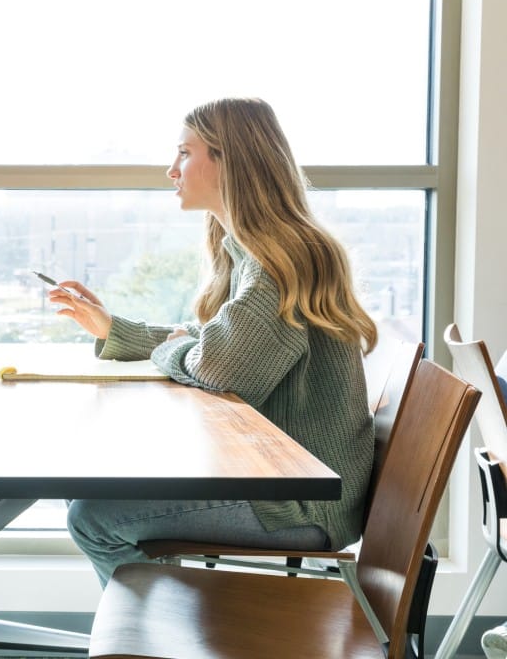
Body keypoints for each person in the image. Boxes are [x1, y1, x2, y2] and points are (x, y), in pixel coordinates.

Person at [51, 97, 378, 585]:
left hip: (301, 503)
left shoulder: (281, 260)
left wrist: (177, 349)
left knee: (94, 518)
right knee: (88, 494)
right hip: (282, 479)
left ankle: (152, 641)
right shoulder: (255, 248)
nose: (171, 170)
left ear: (231, 159)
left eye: (184, 153)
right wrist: (114, 330)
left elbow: (218, 367)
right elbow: (209, 342)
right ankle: (166, 629)